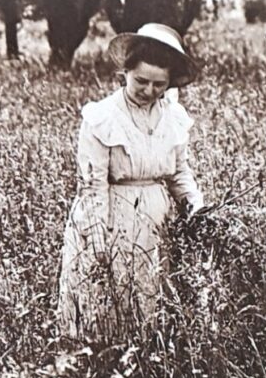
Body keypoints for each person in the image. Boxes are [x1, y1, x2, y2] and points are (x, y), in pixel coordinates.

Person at [57, 23, 206, 343]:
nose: (149, 91)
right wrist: (98, 244)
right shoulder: (101, 118)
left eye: (159, 85)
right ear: (125, 72)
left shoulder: (173, 116)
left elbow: (180, 174)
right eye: (141, 81)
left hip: (156, 224)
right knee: (107, 306)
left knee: (152, 305)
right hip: (112, 220)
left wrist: (197, 210)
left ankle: (150, 365)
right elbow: (92, 185)